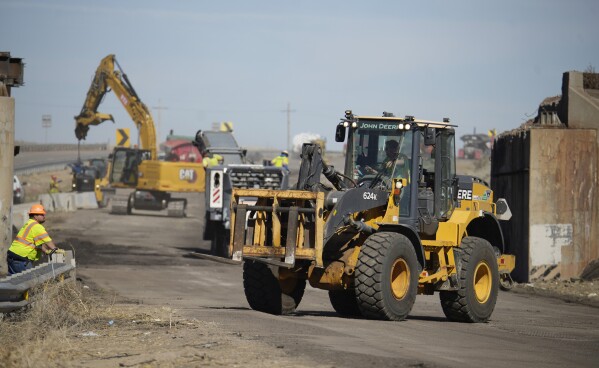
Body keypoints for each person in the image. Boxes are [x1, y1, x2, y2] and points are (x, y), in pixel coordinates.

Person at [7, 204, 64, 275]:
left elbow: (36, 243)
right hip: (21, 259)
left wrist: (46, 251)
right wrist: (56, 250)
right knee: (31, 282)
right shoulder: (37, 226)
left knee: (12, 283)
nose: (44, 216)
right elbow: (48, 241)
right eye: (41, 214)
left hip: (12, 257)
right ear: (35, 216)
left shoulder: (28, 224)